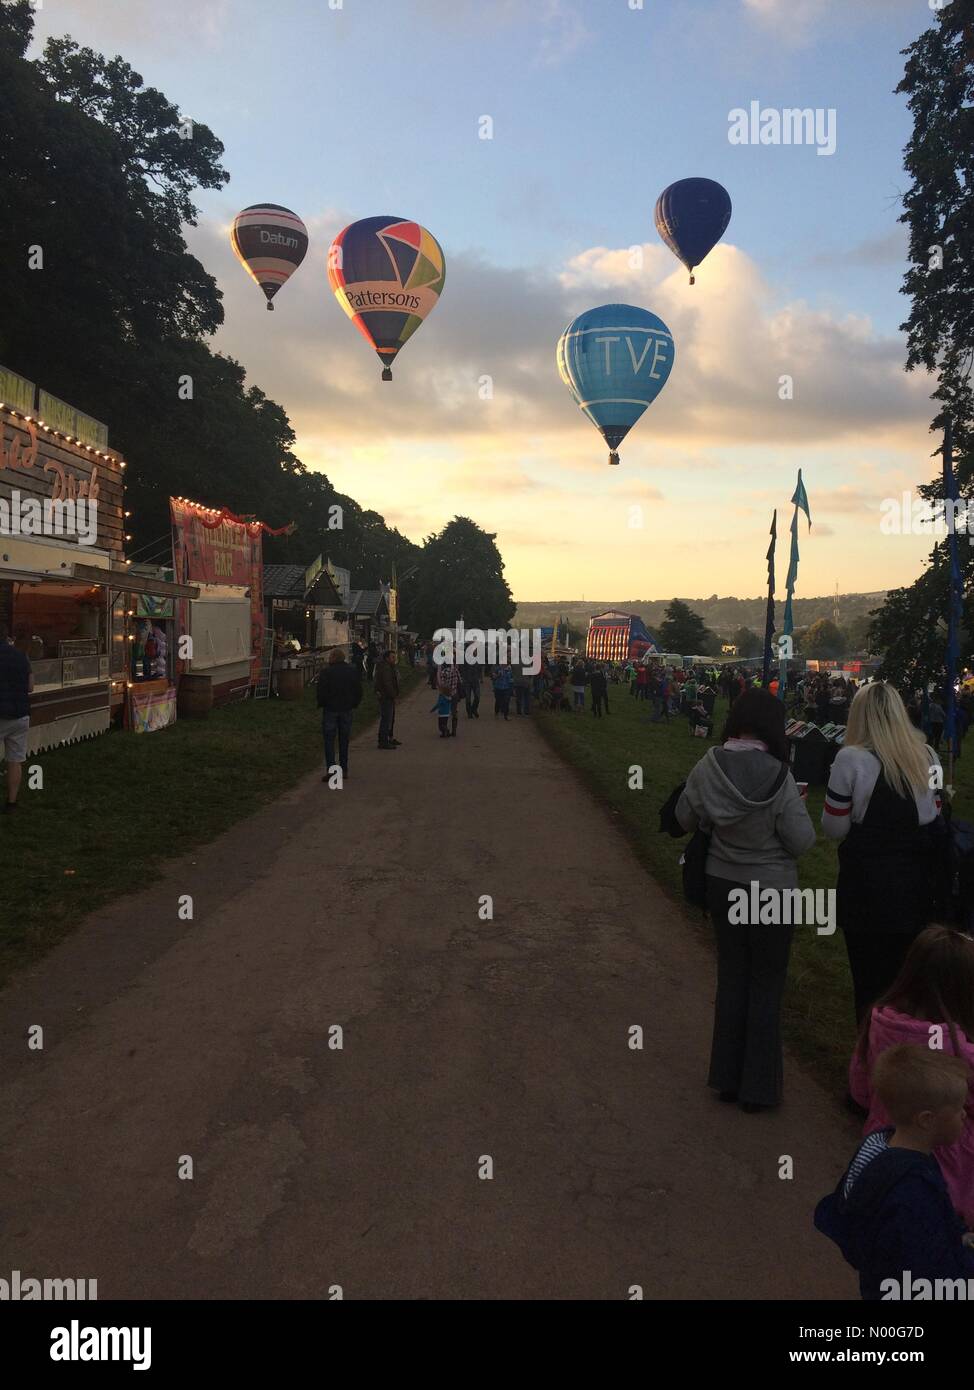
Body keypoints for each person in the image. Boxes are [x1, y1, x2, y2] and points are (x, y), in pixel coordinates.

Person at [676, 690, 816, 1110]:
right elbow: (803, 841)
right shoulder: (780, 776)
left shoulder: (708, 764)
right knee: (767, 984)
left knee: (732, 977)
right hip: (772, 889)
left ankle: (726, 1078)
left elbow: (684, 818)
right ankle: (758, 1089)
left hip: (723, 881)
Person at [822, 682, 942, 1023]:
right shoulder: (929, 756)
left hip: (866, 890)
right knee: (908, 987)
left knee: (869, 985)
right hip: (917, 888)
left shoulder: (850, 759)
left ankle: (870, 1059)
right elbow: (933, 814)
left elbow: (834, 828)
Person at [814, 1044, 974, 1301]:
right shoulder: (912, 1190)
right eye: (958, 1109)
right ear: (927, 1120)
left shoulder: (877, 1145)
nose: (964, 1114)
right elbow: (930, 1273)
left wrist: (958, 1233)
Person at [849, 925, 974, 1226]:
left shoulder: (878, 1024)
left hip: (882, 1156)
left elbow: (859, 1090)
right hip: (946, 1176)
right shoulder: (960, 1051)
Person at [315, 647, 363, 781]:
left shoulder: (326, 672)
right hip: (346, 709)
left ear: (334, 658)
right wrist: (354, 703)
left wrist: (322, 702)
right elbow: (358, 690)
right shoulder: (352, 671)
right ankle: (344, 768)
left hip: (331, 709)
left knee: (329, 741)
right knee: (344, 740)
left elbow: (321, 691)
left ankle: (332, 769)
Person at [0, 622, 33, 811]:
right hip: (20, 715)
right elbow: (30, 687)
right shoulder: (21, 657)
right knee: (15, 760)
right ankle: (12, 802)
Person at [374, 649, 400, 749]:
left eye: (395, 657)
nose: (394, 659)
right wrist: (393, 695)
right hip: (386, 697)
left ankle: (389, 738)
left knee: (390, 719)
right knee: (386, 719)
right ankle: (383, 741)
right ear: (387, 658)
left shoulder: (389, 667)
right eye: (392, 657)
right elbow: (387, 684)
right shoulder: (386, 668)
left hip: (388, 696)